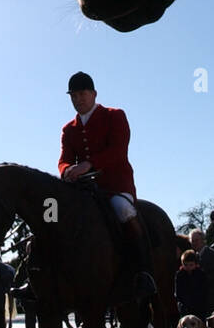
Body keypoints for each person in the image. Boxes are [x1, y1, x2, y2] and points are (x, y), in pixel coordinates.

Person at [59, 72, 156, 299]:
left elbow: (118, 151)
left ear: (94, 94)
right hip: (84, 191)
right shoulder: (68, 129)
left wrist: (87, 164)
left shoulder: (115, 116)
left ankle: (144, 271)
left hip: (115, 186)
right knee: (54, 215)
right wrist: (66, 171)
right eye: (73, 95)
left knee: (123, 210)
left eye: (82, 93)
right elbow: (63, 159)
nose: (77, 99)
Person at [188, 229, 214, 313]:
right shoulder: (194, 257)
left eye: (196, 240)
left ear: (203, 240)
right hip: (202, 300)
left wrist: (200, 279)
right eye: (192, 241)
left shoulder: (211, 254)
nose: (194, 243)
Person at [175, 249, 208, 320]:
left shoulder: (200, 274)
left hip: (199, 307)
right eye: (185, 265)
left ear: (196, 264)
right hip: (185, 307)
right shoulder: (180, 275)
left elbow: (204, 290)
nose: (188, 267)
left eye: (191, 265)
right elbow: (178, 292)